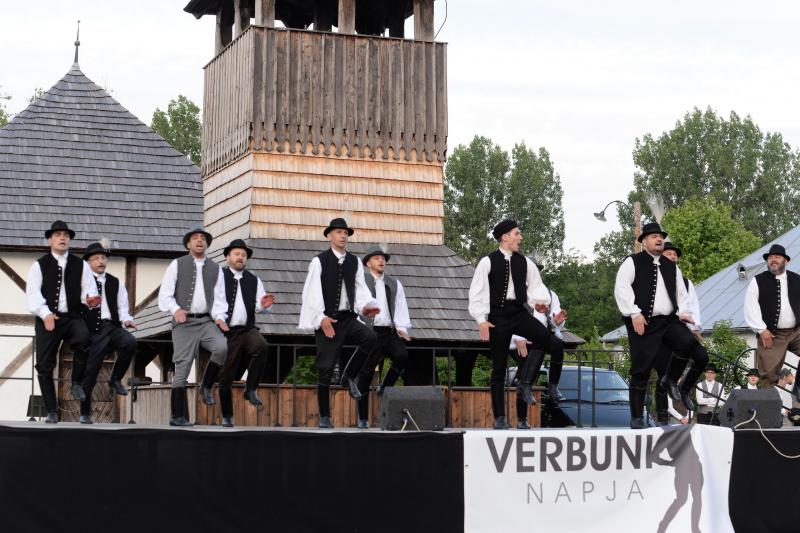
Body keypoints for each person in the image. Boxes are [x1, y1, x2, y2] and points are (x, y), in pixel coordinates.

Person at [613, 222, 708, 429]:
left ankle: (670, 380)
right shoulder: (632, 261)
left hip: (669, 320)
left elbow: (681, 293)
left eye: (660, 236)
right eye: (654, 236)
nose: (659, 239)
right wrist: (634, 313)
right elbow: (621, 288)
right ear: (644, 241)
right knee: (641, 370)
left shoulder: (671, 266)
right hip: (644, 321)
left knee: (687, 343)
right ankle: (636, 418)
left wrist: (684, 313)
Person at [468, 219, 553, 430]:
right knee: (498, 367)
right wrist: (481, 320)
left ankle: (525, 383)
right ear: (505, 237)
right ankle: (499, 418)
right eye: (517, 234)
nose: (520, 238)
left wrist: (539, 303)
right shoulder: (487, 262)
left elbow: (535, 287)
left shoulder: (524, 262)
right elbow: (477, 292)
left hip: (518, 312)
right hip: (497, 315)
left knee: (544, 337)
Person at [298, 218, 380, 429]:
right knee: (325, 369)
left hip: (348, 318)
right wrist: (321, 318)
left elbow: (360, 290)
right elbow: (311, 293)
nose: (343, 235)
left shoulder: (354, 262)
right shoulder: (319, 261)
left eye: (345, 232)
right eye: (338, 232)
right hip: (329, 319)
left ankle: (348, 376)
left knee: (370, 338)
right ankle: (324, 416)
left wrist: (367, 306)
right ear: (329, 236)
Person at [26, 220, 100, 423]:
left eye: (65, 235)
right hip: (48, 318)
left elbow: (89, 291)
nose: (62, 238)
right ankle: (51, 411)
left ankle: (76, 383)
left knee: (84, 340)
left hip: (73, 316)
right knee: (44, 365)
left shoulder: (81, 265)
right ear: (49, 240)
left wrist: (90, 300)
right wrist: (45, 314)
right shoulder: (39, 265)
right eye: (58, 235)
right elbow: (32, 294)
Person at [157, 227, 228, 426]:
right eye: (195, 238)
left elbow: (219, 299)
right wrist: (175, 310)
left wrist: (220, 317)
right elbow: (165, 295)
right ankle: (176, 416)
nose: (199, 241)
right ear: (188, 244)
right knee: (182, 367)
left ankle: (206, 386)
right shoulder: (177, 264)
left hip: (206, 321)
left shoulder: (215, 268)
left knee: (221, 347)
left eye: (203, 238)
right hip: (184, 323)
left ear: (207, 244)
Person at [73, 242, 138, 424]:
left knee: (130, 342)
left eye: (103, 258)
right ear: (88, 262)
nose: (101, 261)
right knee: (91, 371)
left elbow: (123, 307)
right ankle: (85, 413)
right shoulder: (81, 282)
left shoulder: (115, 282)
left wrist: (126, 319)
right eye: (96, 258)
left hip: (113, 326)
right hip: (93, 330)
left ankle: (115, 378)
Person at [216, 239, 275, 427]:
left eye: (243, 255)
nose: (240, 257)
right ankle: (227, 415)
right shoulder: (219, 277)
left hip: (247, 329)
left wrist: (264, 305)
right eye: (236, 254)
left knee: (262, 346)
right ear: (228, 257)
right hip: (226, 332)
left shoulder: (254, 280)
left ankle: (251, 389)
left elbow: (260, 306)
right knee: (226, 375)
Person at [357, 245, 411, 429]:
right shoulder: (361, 282)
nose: (381, 261)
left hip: (388, 330)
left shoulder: (394, 283)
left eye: (383, 258)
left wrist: (402, 327)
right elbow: (355, 305)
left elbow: (401, 307)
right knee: (366, 373)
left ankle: (385, 386)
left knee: (402, 356)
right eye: (377, 258)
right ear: (368, 264)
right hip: (370, 332)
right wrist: (361, 329)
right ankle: (362, 418)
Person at [653, 241, 704, 425]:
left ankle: (684, 389)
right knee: (663, 373)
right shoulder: (655, 278)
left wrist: (695, 327)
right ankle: (662, 417)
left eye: (675, 255)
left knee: (702, 357)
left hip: (682, 328)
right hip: (661, 330)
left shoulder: (685, 281)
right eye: (669, 254)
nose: (673, 257)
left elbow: (692, 305)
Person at [744, 244, 800, 388]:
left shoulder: (797, 279)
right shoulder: (758, 281)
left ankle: (798, 389)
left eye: (777, 257)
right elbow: (751, 307)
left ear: (786, 261)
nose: (773, 259)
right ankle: (768, 402)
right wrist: (762, 330)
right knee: (768, 376)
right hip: (771, 334)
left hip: (796, 331)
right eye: (770, 257)